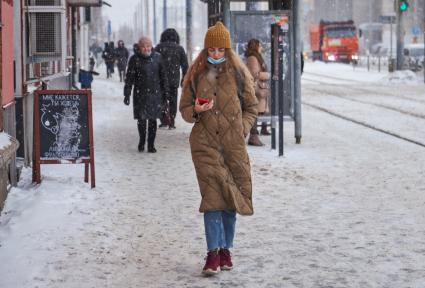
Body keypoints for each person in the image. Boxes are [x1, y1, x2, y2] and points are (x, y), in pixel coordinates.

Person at [179, 21, 258, 276]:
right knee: (213, 199)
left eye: (219, 50)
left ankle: (226, 249)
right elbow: (184, 110)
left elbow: (252, 107)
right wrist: (196, 111)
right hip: (204, 144)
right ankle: (212, 253)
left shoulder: (239, 73)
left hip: (233, 146)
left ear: (227, 49)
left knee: (230, 199)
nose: (215, 54)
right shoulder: (195, 74)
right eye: (211, 49)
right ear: (205, 49)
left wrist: (242, 128)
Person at [123, 37, 169, 153]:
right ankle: (142, 140)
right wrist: (127, 94)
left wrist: (166, 93)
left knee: (153, 120)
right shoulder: (134, 59)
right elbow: (129, 78)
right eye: (143, 46)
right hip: (140, 94)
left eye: (148, 46)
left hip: (155, 94)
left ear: (151, 46)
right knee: (142, 120)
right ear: (139, 48)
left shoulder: (158, 58)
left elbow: (163, 77)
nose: (146, 48)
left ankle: (151, 144)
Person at [155, 28, 189, 129]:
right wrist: (184, 79)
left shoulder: (159, 48)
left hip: (161, 79)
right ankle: (172, 121)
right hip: (174, 79)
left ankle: (164, 120)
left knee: (161, 99)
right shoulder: (179, 49)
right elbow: (185, 66)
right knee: (173, 100)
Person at [245, 38, 272, 146]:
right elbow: (255, 74)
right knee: (254, 112)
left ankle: (259, 132)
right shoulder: (253, 58)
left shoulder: (256, 57)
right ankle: (253, 136)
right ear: (255, 46)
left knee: (258, 111)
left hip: (259, 88)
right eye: (259, 46)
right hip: (256, 89)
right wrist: (267, 75)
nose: (261, 48)